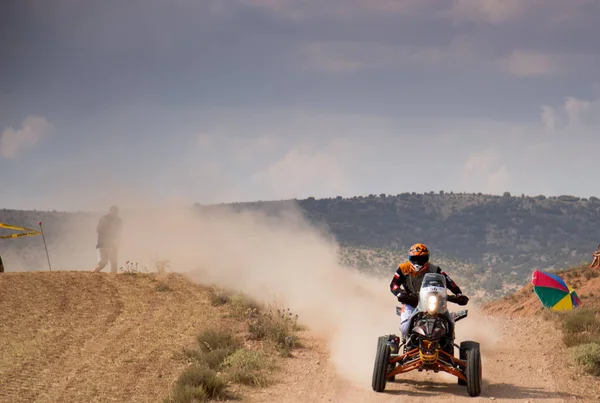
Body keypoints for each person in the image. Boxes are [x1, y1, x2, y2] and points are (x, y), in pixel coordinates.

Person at [389, 243, 468, 349]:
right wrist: (400, 293)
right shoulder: (403, 268)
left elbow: (450, 282)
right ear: (410, 258)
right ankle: (407, 345)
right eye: (414, 259)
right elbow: (393, 284)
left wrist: (459, 294)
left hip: (434, 302)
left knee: (449, 320)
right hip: (411, 303)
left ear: (427, 259)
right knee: (404, 328)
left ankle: (449, 342)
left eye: (421, 259)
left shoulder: (435, 269)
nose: (418, 262)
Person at [93, 205, 123, 273]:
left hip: (109, 245)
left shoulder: (117, 221)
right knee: (103, 264)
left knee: (112, 263)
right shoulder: (107, 219)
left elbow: (118, 234)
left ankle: (114, 278)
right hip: (104, 245)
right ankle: (91, 274)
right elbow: (99, 230)